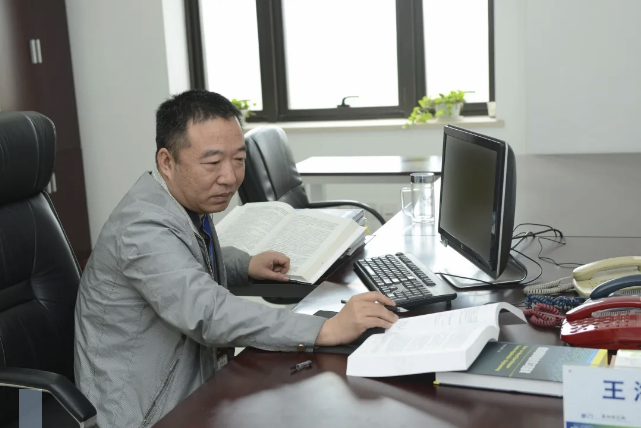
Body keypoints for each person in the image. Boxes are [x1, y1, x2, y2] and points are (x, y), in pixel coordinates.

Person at [74, 89, 398, 427]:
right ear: (167, 162)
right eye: (212, 163)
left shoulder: (180, 201)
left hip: (194, 385)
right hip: (146, 414)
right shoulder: (142, 227)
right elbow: (208, 313)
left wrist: (245, 264)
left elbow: (183, 263)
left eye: (239, 159)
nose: (229, 177)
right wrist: (326, 329)